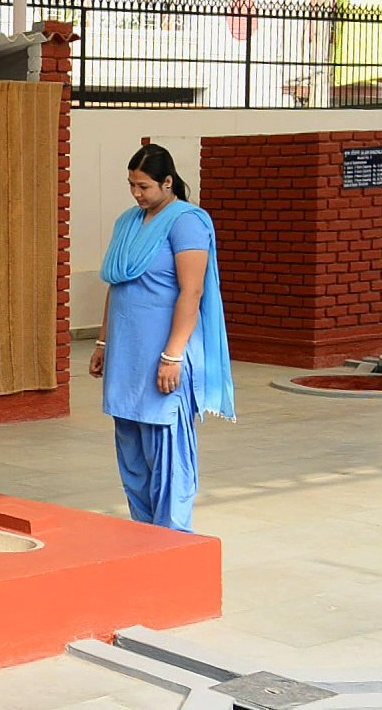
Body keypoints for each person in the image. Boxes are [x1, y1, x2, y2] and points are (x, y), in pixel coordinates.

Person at [89, 144, 236, 534]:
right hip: (126, 353)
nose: (137, 194)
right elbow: (116, 284)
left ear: (167, 182)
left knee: (166, 448)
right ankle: (144, 531)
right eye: (131, 186)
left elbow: (191, 293)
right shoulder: (127, 222)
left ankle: (172, 535)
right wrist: (103, 343)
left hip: (163, 353)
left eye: (144, 186)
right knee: (132, 450)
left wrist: (173, 356)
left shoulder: (186, 222)